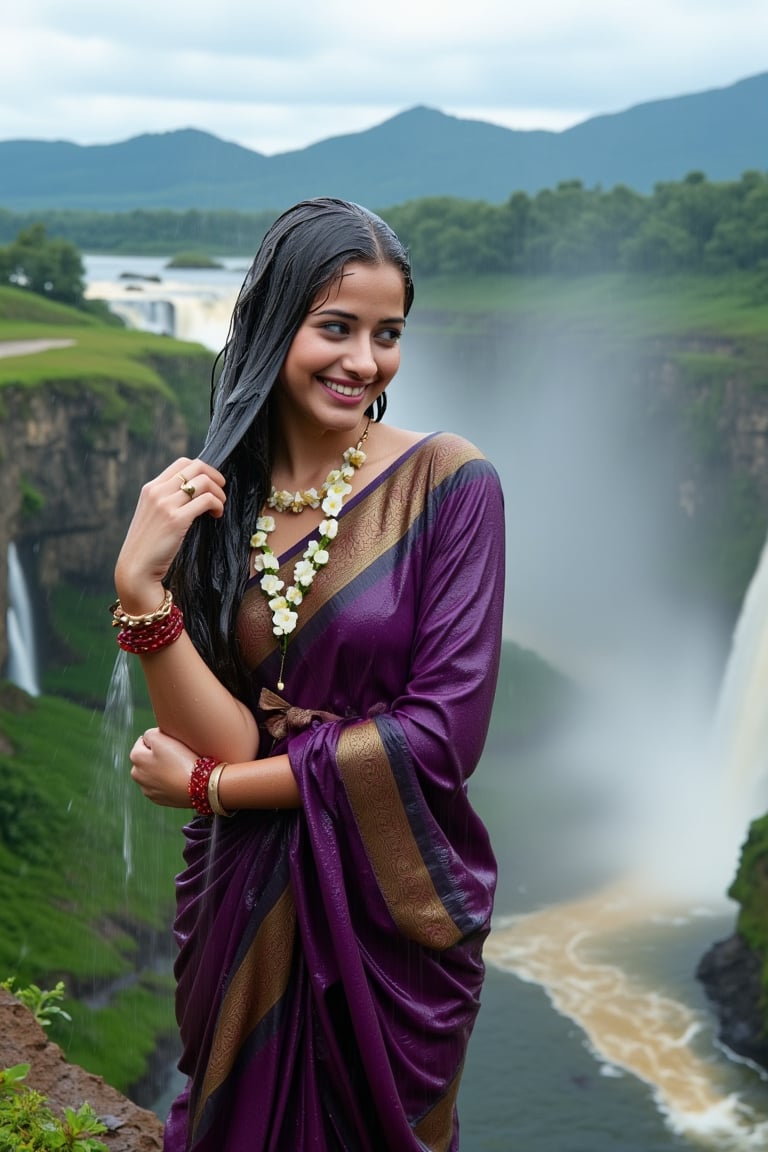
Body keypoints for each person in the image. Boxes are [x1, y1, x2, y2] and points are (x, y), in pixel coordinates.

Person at [114, 197, 505, 1152]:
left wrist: (214, 788)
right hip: (246, 893)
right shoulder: (220, 498)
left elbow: (439, 736)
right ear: (272, 321)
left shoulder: (450, 485)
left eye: (387, 334)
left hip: (390, 892)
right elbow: (232, 730)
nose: (363, 361)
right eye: (335, 327)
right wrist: (140, 585)